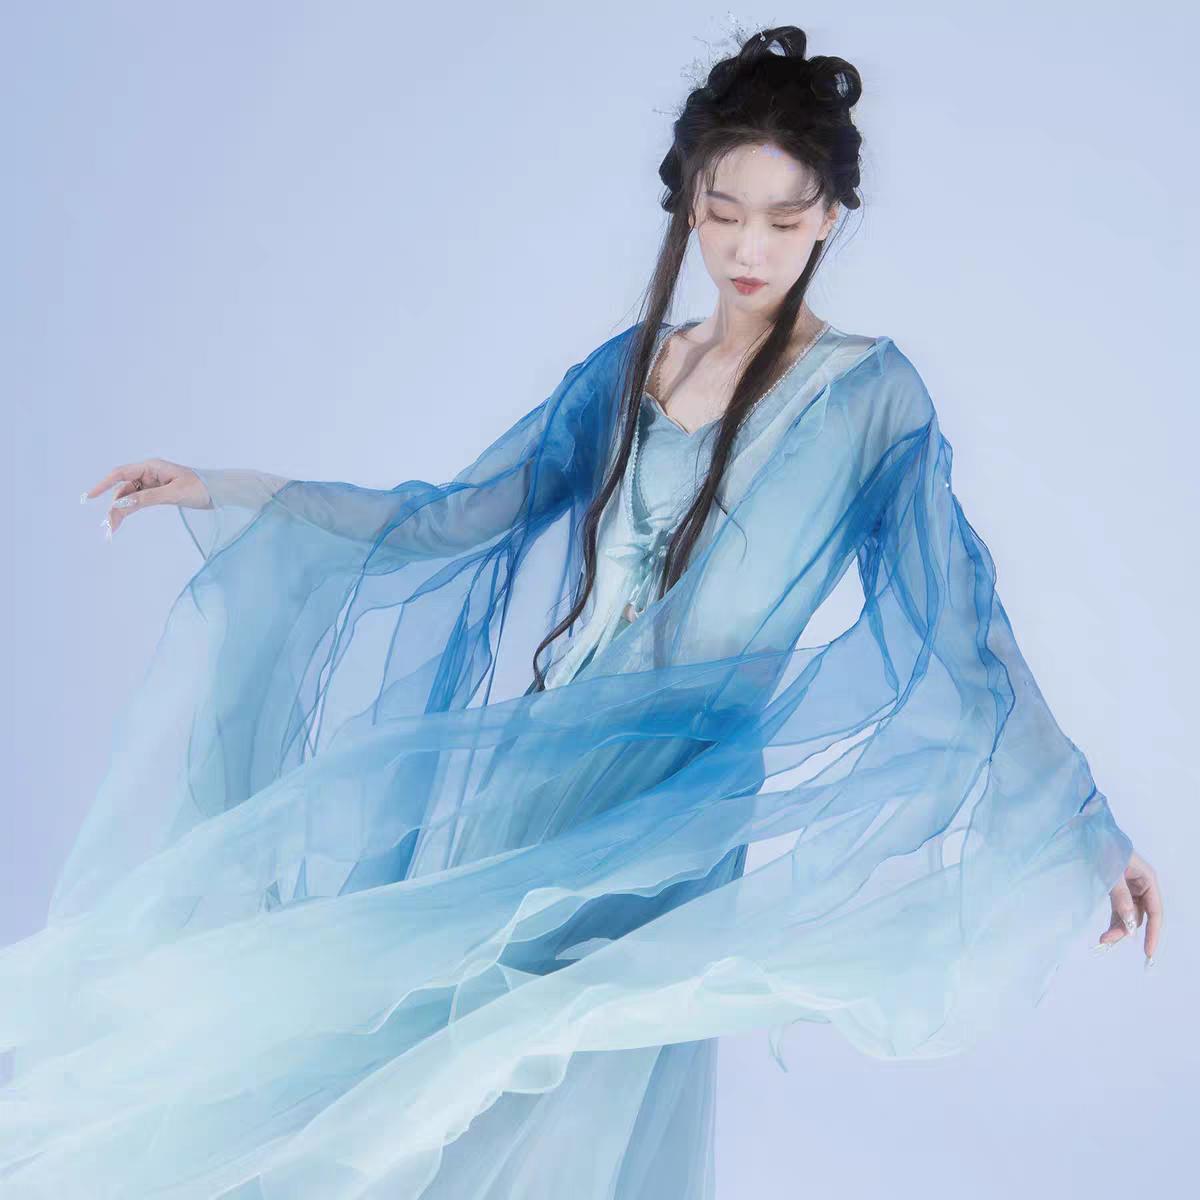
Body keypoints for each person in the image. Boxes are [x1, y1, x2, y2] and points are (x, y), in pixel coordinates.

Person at [6, 23, 1162, 1199]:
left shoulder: (873, 397)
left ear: (828, 217)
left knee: (578, 1074)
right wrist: (230, 490)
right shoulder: (634, 366)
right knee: (436, 1048)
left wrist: (1086, 826)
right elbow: (459, 517)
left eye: (782, 218)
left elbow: (961, 625)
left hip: (686, 795)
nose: (748, 247)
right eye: (723, 211)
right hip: (547, 763)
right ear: (689, 202)